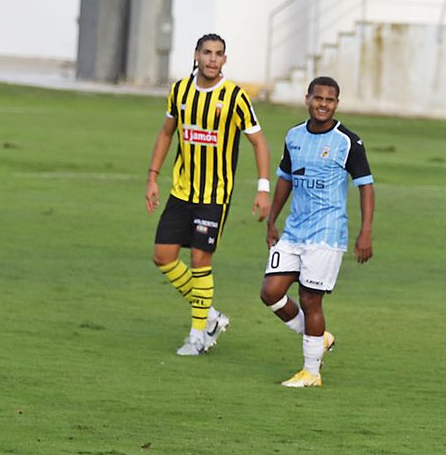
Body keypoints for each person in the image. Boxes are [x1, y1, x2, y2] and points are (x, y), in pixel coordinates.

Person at [144, 33, 271, 356]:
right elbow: (166, 132)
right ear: (197, 55)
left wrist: (262, 188)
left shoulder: (235, 97)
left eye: (219, 54)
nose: (213, 59)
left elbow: (259, 141)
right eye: (207, 53)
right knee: (163, 256)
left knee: (200, 260)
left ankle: (197, 336)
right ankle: (211, 316)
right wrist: (153, 177)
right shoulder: (180, 90)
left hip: (214, 195)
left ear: (225, 60)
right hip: (182, 190)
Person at [259, 77, 375, 388]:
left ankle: (311, 372)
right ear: (307, 98)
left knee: (310, 299)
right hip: (295, 230)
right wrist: (272, 219)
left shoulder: (348, 141)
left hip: (327, 233)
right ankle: (318, 337)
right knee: (270, 292)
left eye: (330, 99)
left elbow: (365, 186)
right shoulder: (294, 136)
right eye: (318, 98)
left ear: (337, 103)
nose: (323, 104)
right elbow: (285, 178)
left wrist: (365, 232)